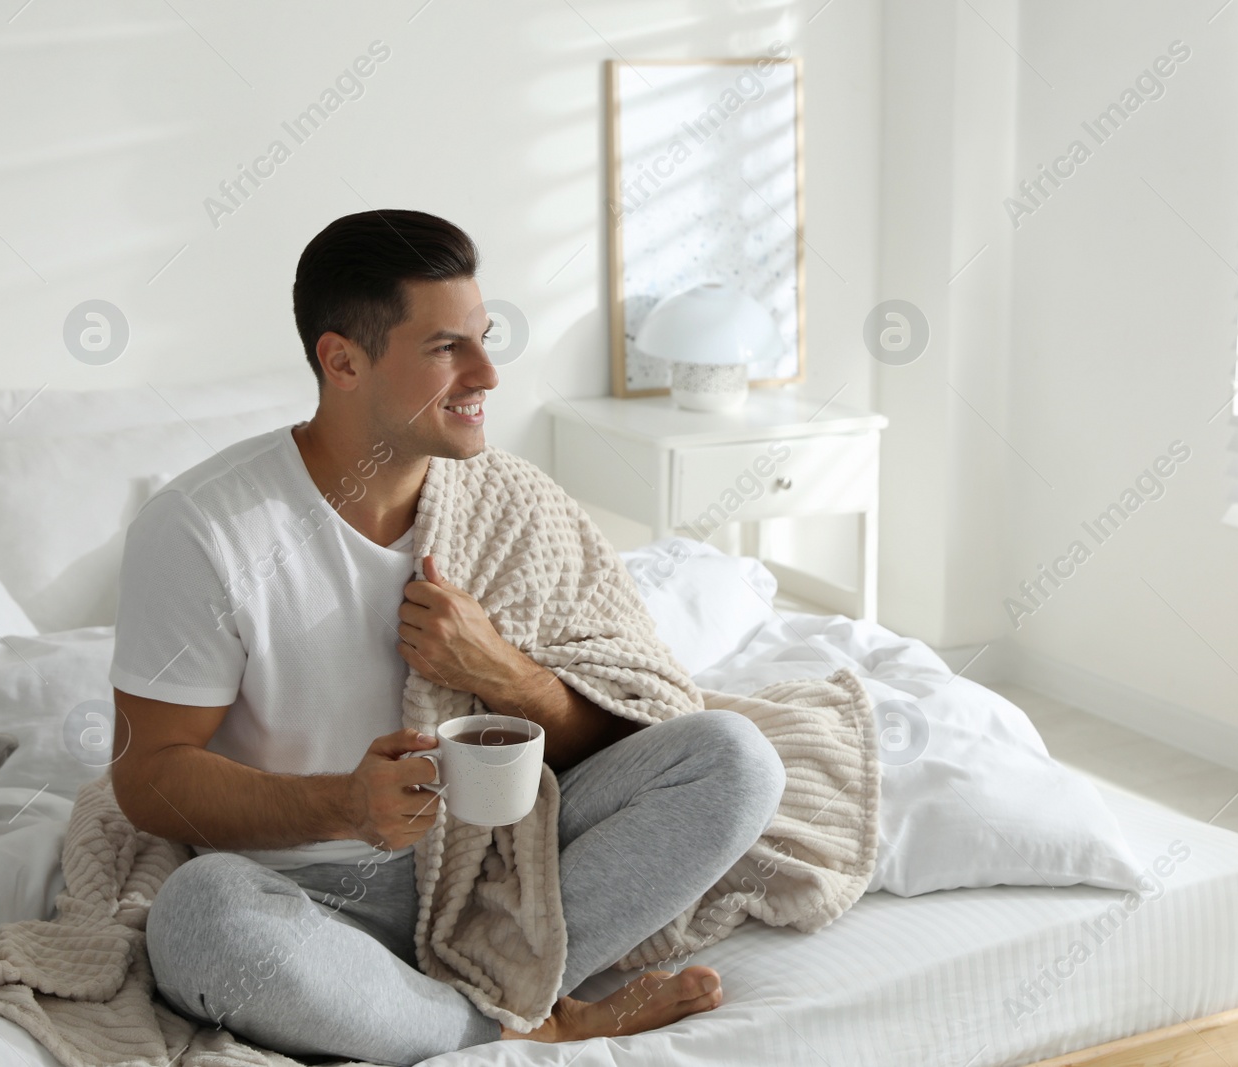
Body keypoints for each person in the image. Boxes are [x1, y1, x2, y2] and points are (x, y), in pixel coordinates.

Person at [100, 210, 788, 1063]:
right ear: (341, 359)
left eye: (485, 339)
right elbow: (147, 777)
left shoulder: (514, 504)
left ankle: (421, 1005)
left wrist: (506, 672)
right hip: (306, 893)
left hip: (504, 866)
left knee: (735, 756)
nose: (488, 373)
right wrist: (342, 804)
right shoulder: (202, 527)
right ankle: (518, 1019)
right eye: (445, 348)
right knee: (199, 916)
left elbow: (637, 722)